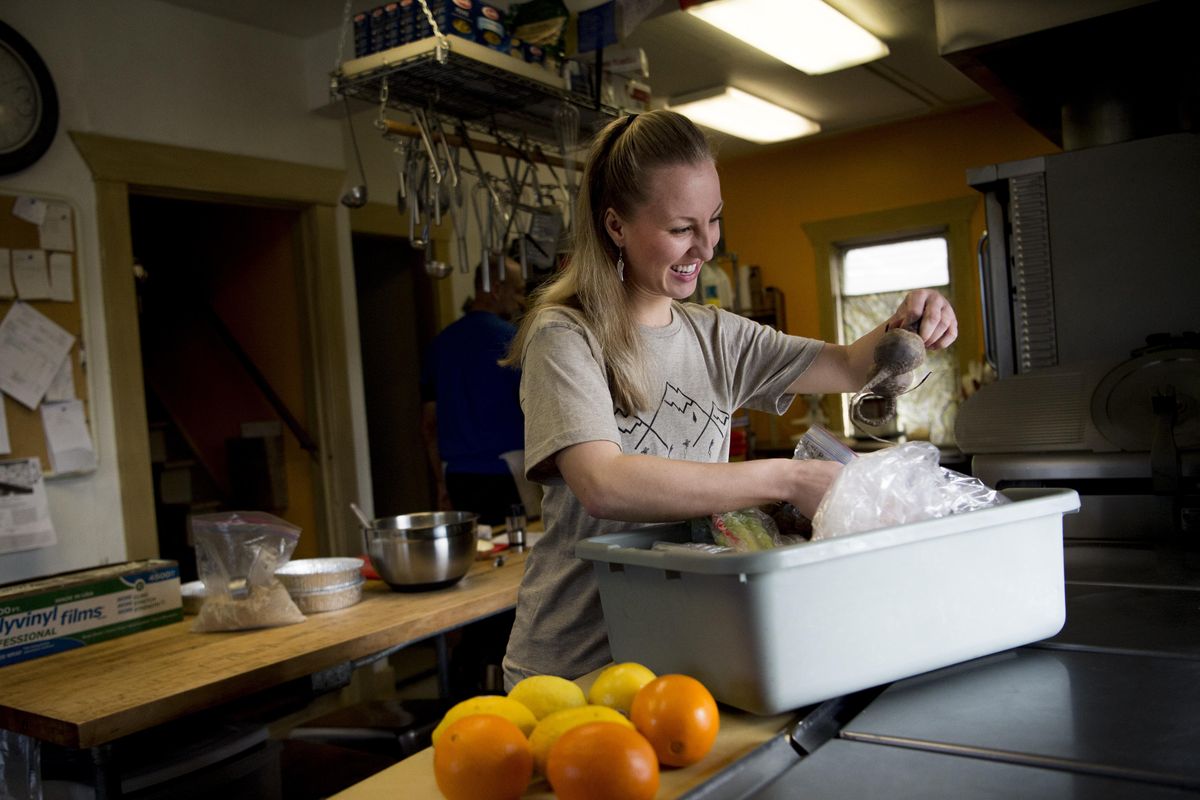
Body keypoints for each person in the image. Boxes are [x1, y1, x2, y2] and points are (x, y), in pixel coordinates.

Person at [500, 110, 957, 687]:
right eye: (681, 228)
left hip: (683, 649)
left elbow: (846, 364)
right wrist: (787, 479)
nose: (707, 247)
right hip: (575, 665)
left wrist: (911, 321)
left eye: (714, 220)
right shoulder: (565, 335)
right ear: (615, 225)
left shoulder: (717, 337)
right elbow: (603, 483)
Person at [419, 255, 526, 526]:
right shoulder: (514, 341)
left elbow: (429, 423)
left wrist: (440, 485)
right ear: (496, 289)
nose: (520, 301)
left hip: (457, 476)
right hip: (509, 473)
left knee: (476, 553)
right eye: (517, 290)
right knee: (519, 554)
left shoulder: (441, 344)